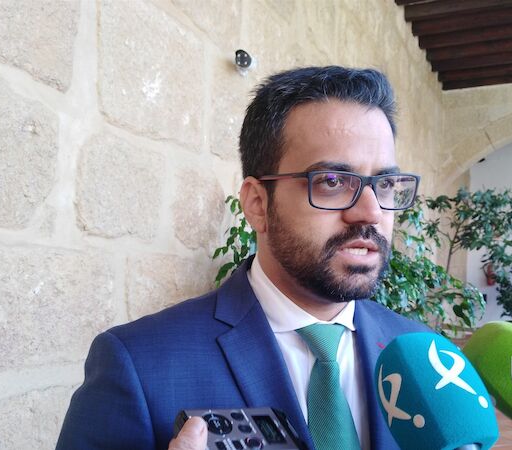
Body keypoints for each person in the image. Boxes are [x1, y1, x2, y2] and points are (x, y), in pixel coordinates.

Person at [56, 66, 431, 450]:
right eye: (332, 182)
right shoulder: (138, 365)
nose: (371, 212)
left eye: (385, 184)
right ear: (257, 204)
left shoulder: (425, 358)